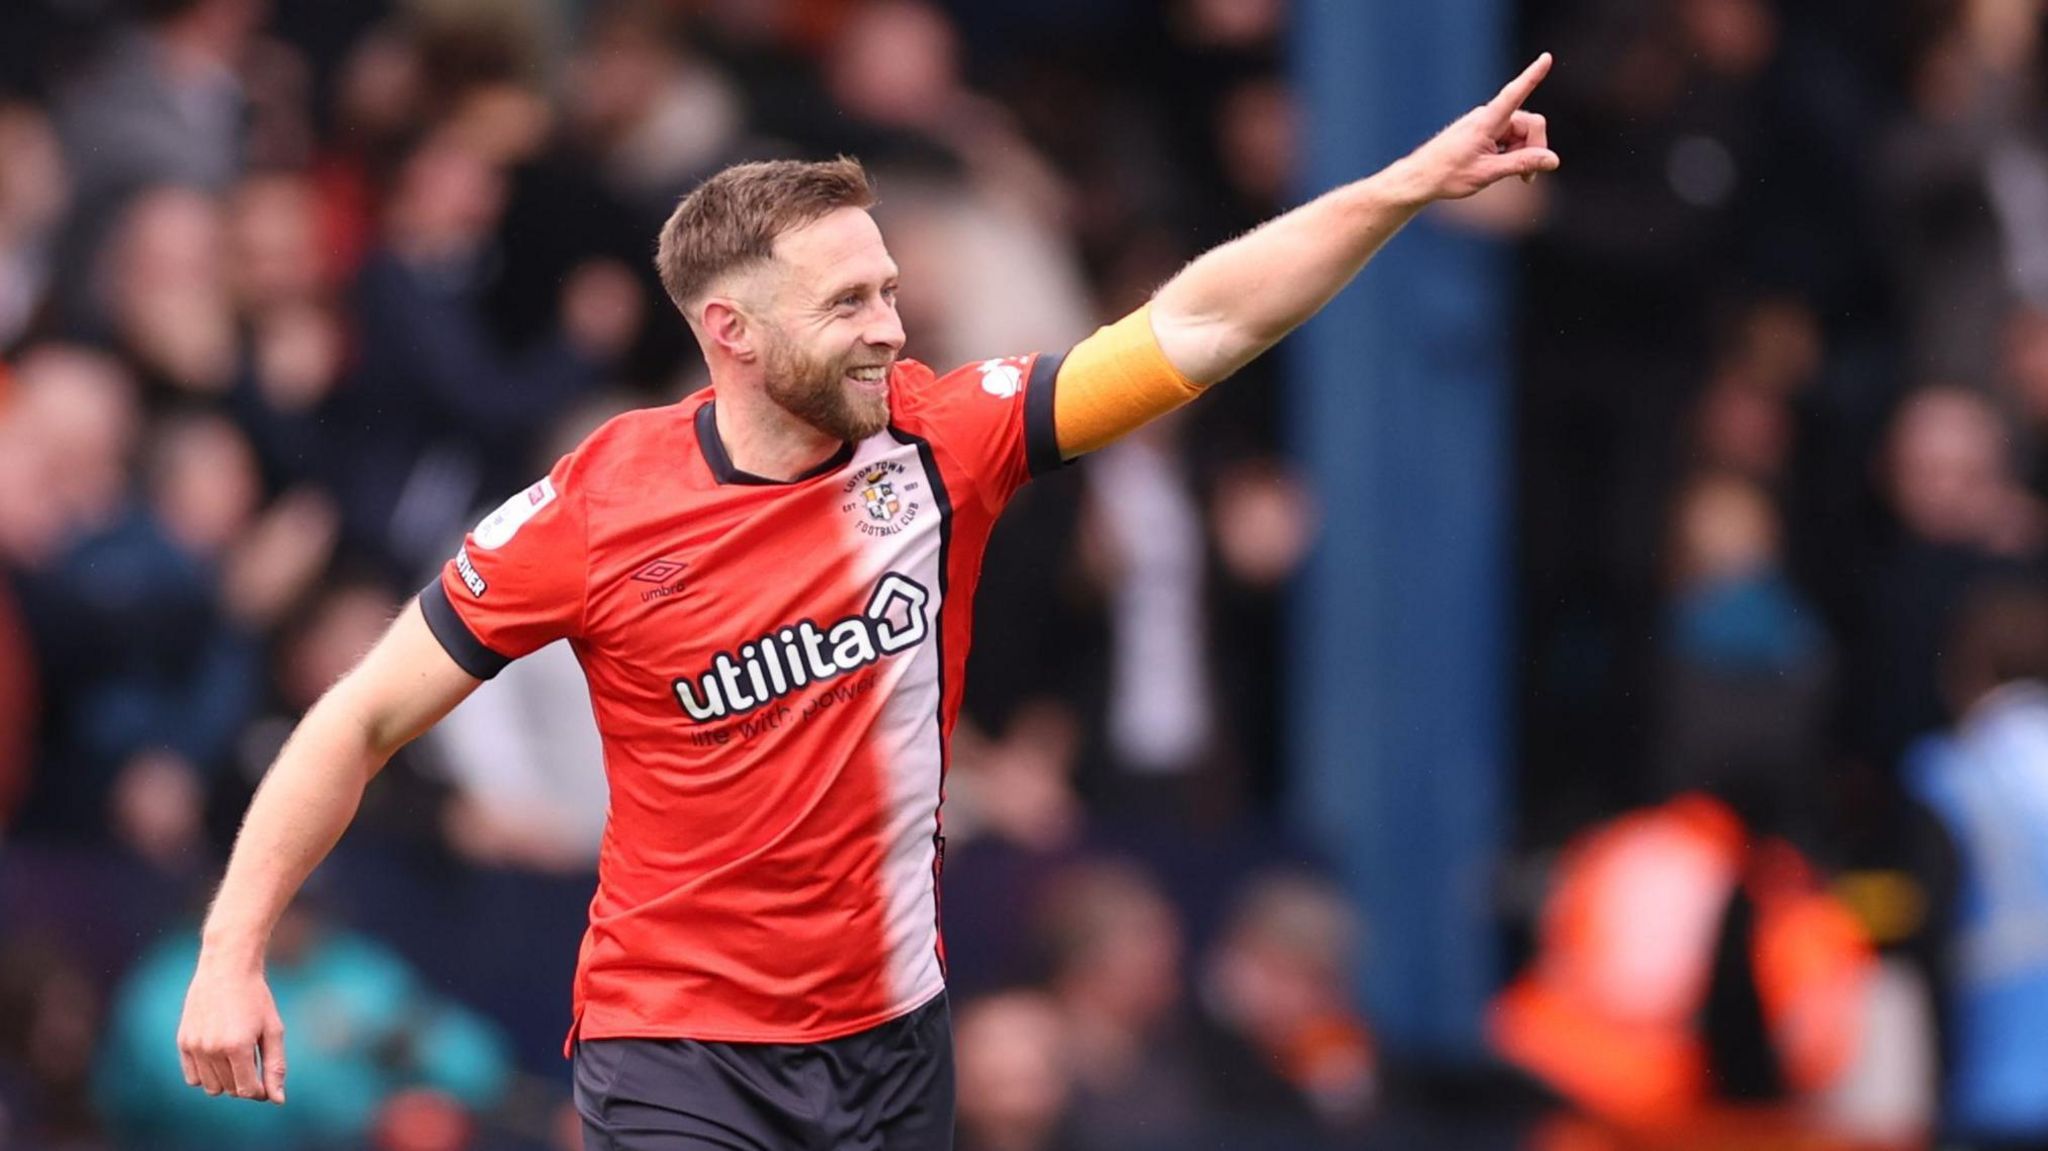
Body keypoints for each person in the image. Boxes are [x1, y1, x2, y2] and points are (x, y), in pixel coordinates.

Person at [175, 54, 1562, 1149]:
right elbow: (355, 718)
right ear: (733, 332)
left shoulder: (942, 439)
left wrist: (1397, 189)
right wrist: (231, 955)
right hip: (680, 1055)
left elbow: (1195, 325)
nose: (892, 326)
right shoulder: (596, 511)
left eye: (888, 288)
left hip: (897, 1045)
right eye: (849, 303)